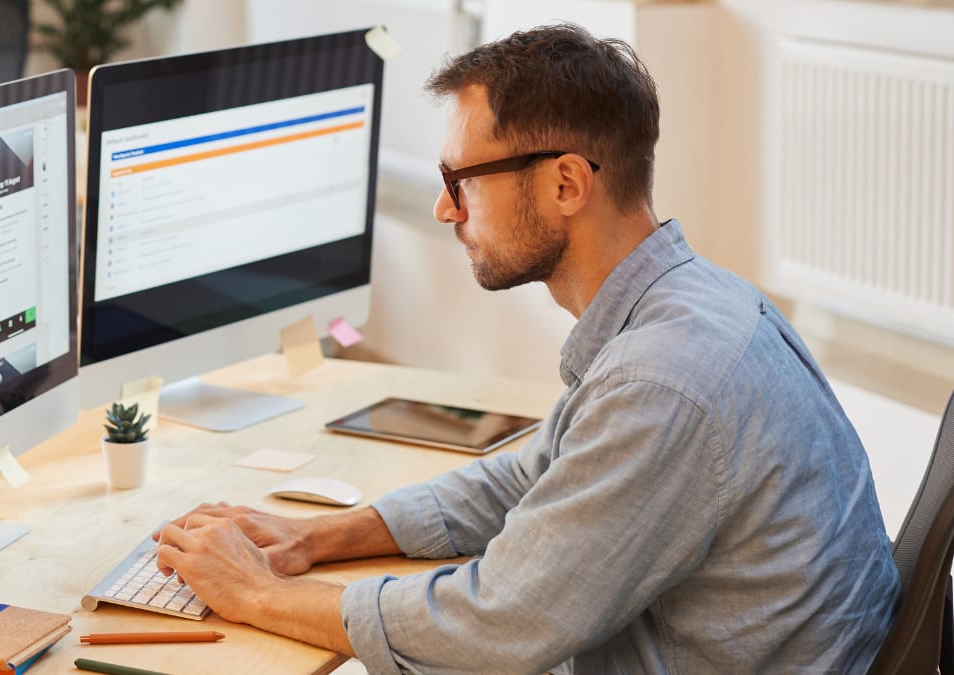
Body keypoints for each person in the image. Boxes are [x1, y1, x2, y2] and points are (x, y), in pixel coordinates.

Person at [154, 23, 900, 673]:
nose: (445, 208)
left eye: (460, 180)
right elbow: (534, 477)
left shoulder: (663, 378)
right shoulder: (695, 300)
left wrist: (261, 593)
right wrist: (319, 535)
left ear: (567, 183)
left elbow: (497, 625)